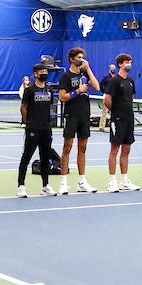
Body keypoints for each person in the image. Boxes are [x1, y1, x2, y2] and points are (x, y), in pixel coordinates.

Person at [58, 47, 100, 194]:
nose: (81, 60)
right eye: (78, 57)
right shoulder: (66, 76)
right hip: (71, 114)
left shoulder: (84, 73)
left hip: (84, 114)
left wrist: (88, 70)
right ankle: (63, 183)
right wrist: (78, 91)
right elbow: (62, 97)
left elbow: (96, 86)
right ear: (72, 59)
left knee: (82, 148)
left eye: (82, 57)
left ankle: (82, 182)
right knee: (67, 148)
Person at [17, 63, 57, 198]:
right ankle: (21, 186)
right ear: (36, 74)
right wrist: (29, 123)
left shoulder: (49, 90)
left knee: (45, 158)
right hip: (33, 128)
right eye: (42, 71)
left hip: (46, 128)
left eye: (46, 71)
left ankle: (45, 186)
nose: (44, 73)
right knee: (26, 157)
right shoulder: (29, 91)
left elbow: (49, 106)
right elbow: (23, 108)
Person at [104, 53, 140, 192]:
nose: (129, 63)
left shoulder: (130, 81)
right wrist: (116, 111)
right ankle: (112, 181)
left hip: (128, 118)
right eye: (126, 61)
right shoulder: (114, 80)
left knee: (126, 149)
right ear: (120, 64)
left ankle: (124, 181)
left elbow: (130, 98)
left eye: (130, 61)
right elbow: (107, 99)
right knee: (115, 149)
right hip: (117, 119)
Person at [98, 62, 117, 131]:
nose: (113, 70)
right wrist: (104, 92)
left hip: (114, 96)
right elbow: (101, 85)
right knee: (104, 111)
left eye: (114, 68)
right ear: (109, 69)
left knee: (115, 112)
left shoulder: (116, 77)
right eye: (112, 68)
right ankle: (101, 126)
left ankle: (114, 125)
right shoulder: (106, 77)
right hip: (107, 95)